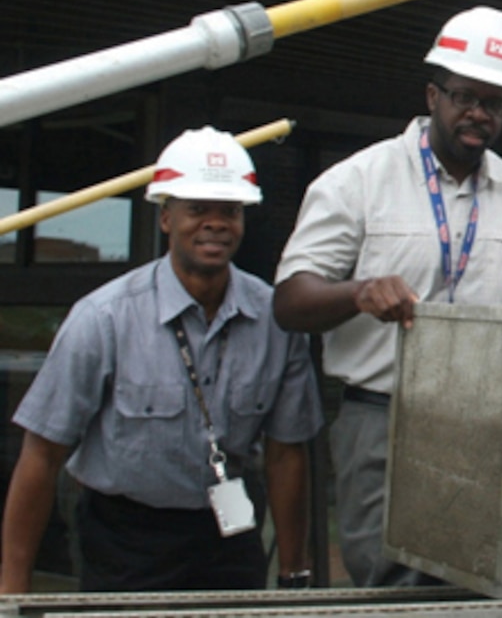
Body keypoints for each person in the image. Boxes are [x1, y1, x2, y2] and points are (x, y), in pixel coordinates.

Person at [273, 5, 502, 587]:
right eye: (465, 96)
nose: (478, 114)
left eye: (495, 103)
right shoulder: (358, 182)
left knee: (478, 584)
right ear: (433, 94)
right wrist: (359, 292)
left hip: (486, 421)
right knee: (390, 586)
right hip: (383, 418)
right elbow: (290, 301)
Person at [0, 126, 324, 593]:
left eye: (229, 211)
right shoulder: (103, 319)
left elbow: (285, 454)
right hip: (125, 538)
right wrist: (14, 589)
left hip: (231, 532)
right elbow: (42, 454)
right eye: (197, 210)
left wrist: (294, 573)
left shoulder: (275, 321)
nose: (215, 223)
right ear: (166, 218)